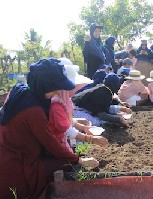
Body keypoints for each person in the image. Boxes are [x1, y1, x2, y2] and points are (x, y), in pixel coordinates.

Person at [0, 58, 98, 199]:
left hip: (9, 150)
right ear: (44, 86)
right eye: (55, 88)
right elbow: (50, 143)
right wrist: (78, 159)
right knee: (62, 164)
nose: (58, 91)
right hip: (16, 164)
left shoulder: (21, 90)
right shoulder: (33, 111)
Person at [49, 58, 108, 152]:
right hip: (56, 143)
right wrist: (89, 139)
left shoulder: (65, 100)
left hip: (63, 139)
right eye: (74, 87)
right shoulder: (56, 105)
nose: (77, 89)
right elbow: (66, 129)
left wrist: (83, 127)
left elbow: (68, 120)